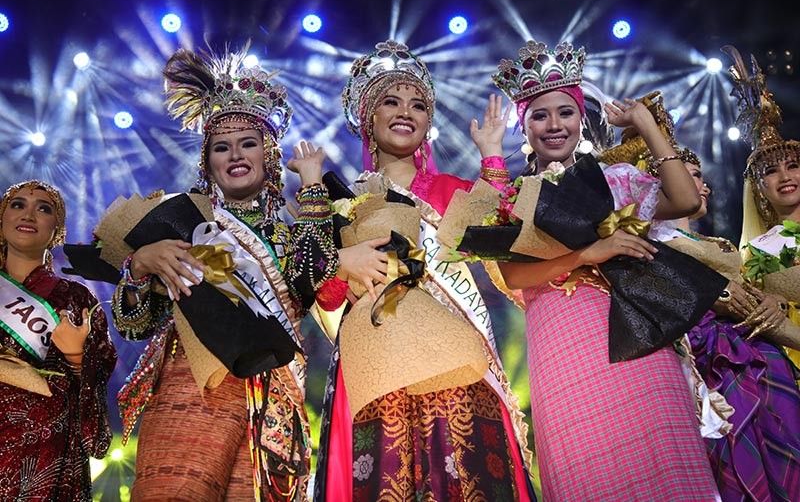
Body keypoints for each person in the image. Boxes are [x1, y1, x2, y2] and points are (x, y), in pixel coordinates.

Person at [491, 40, 719, 500]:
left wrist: (646, 125)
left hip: (631, 331)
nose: (554, 125)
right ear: (524, 125)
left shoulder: (613, 178)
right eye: (540, 116)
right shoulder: (515, 197)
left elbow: (685, 200)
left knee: (665, 462)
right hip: (561, 340)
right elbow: (513, 276)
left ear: (581, 118)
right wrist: (586, 254)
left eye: (565, 113)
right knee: (585, 468)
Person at [111, 46, 338, 500]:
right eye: (221, 146)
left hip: (271, 399)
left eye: (248, 143)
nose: (235, 154)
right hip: (190, 387)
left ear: (268, 153)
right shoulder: (182, 223)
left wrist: (313, 186)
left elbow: (316, 278)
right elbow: (134, 324)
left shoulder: (290, 235)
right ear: (208, 161)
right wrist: (138, 265)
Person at [312, 40, 535, 501]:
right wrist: (340, 265)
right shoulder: (342, 205)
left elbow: (504, 238)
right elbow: (327, 296)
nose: (405, 112)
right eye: (390, 101)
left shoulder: (452, 190)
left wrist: (493, 155)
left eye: (417, 105)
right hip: (381, 363)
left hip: (453, 362)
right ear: (368, 119)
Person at [626, 145, 800, 501]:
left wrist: (775, 300)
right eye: (689, 176)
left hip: (758, 349)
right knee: (743, 458)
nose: (702, 186)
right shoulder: (653, 242)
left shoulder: (714, 242)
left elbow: (750, 291)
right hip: (715, 358)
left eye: (700, 177)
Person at [0, 180, 117, 501]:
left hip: (50, 452)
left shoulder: (76, 297)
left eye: (44, 208)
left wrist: (77, 357)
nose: (29, 215)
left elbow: (98, 376)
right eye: (18, 204)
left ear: (57, 230)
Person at [726, 46, 800, 370]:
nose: (785, 177)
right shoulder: (762, 251)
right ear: (758, 186)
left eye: (793, 166)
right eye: (771, 171)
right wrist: (780, 304)